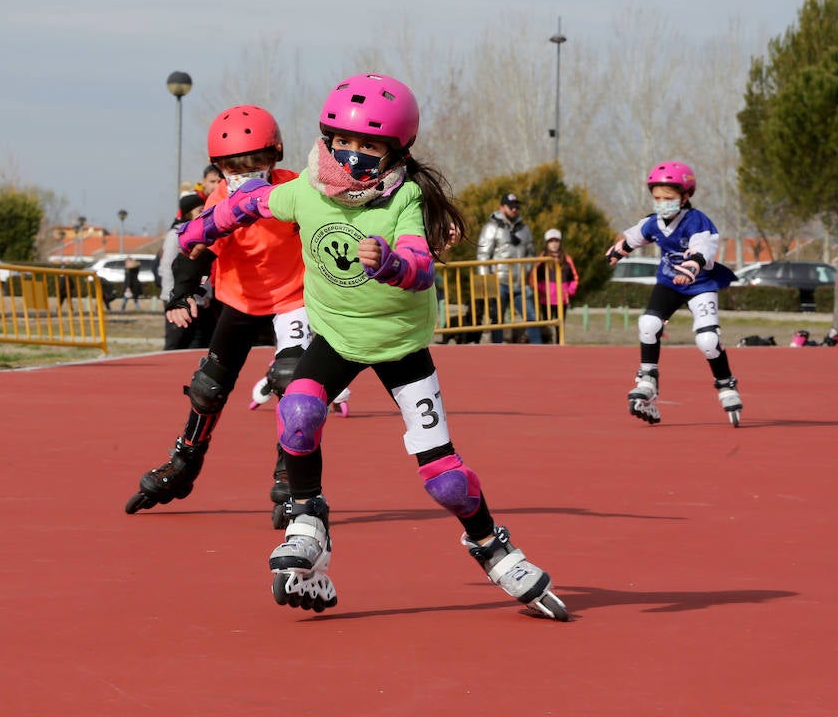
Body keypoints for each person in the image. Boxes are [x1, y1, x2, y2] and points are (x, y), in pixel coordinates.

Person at [176, 73, 568, 620]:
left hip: (400, 346)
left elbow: (420, 264)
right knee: (297, 409)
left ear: (395, 150)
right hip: (337, 337)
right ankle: (308, 518)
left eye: (370, 146)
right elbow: (246, 206)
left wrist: (393, 265)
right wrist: (197, 233)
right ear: (326, 138)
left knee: (447, 481)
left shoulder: (403, 197)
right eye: (345, 142)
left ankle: (491, 545)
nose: (353, 156)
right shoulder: (306, 189)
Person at [125, 104, 340, 517]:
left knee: (291, 381)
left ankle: (289, 478)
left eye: (254, 163)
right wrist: (182, 293)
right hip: (239, 298)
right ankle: (184, 464)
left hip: (292, 298)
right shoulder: (221, 198)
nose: (243, 175)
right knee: (208, 388)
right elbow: (196, 250)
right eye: (232, 167)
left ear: (274, 156)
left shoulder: (293, 187)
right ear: (218, 169)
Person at [606, 161, 743, 426]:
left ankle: (726, 383)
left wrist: (693, 264)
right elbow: (637, 236)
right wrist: (620, 249)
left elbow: (703, 246)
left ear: (686, 196)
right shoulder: (654, 222)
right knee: (648, 323)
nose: (662, 203)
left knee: (707, 340)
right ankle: (648, 378)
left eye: (668, 198)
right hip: (669, 282)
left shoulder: (696, 220)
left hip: (700, 284)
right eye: (657, 198)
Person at [476, 192, 543, 344]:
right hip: (499, 281)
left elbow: (531, 253)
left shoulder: (524, 229)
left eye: (516, 206)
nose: (514, 209)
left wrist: (525, 271)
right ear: (502, 207)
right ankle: (497, 351)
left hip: (519, 283)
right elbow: (482, 256)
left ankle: (541, 351)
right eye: (511, 206)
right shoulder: (491, 227)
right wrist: (487, 284)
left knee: (531, 317)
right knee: (497, 318)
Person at [159, 192, 212, 350]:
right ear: (189, 213)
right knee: (177, 339)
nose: (203, 213)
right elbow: (167, 267)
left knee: (197, 340)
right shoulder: (175, 235)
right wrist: (172, 294)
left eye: (204, 210)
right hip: (178, 296)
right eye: (199, 210)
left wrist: (206, 293)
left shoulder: (205, 235)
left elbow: (204, 272)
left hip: (198, 299)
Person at [531, 227, 578, 343]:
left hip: (561, 300)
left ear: (560, 242)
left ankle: (559, 346)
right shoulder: (542, 259)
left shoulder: (566, 259)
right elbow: (533, 277)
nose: (554, 244)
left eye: (556, 241)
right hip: (546, 299)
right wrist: (542, 290)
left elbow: (574, 278)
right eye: (551, 241)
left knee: (559, 327)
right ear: (547, 243)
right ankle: (547, 347)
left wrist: (569, 291)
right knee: (546, 327)